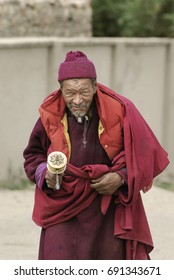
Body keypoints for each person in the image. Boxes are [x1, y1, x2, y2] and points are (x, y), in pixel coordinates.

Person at [23, 50, 169, 260]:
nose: (77, 100)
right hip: (63, 202)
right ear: (60, 89)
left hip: (107, 206)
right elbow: (33, 154)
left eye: (84, 91)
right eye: (70, 92)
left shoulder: (119, 111)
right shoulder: (51, 114)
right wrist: (45, 173)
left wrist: (121, 176)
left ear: (95, 86)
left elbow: (145, 154)